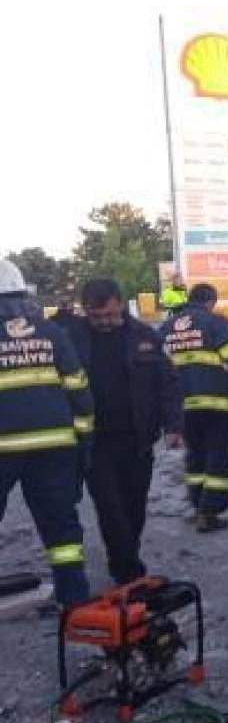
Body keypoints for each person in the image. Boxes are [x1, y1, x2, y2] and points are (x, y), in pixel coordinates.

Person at [69, 278, 183, 585]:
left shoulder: (145, 336)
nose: (105, 322)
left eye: (110, 315)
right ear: (85, 309)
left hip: (138, 440)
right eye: (97, 316)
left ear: (121, 304)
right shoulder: (71, 337)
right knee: (110, 508)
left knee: (134, 507)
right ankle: (128, 571)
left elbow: (168, 382)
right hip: (95, 442)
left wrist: (173, 425)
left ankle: (123, 557)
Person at [0, 259, 93, 607]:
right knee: (62, 530)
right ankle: (74, 600)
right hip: (55, 446)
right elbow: (79, 388)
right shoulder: (51, 332)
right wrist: (84, 438)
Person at [161, 284, 228, 532]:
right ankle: (210, 513)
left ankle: (198, 506)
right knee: (220, 458)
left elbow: (157, 368)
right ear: (211, 302)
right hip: (221, 404)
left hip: (183, 406)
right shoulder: (217, 323)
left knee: (195, 457)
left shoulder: (167, 327)